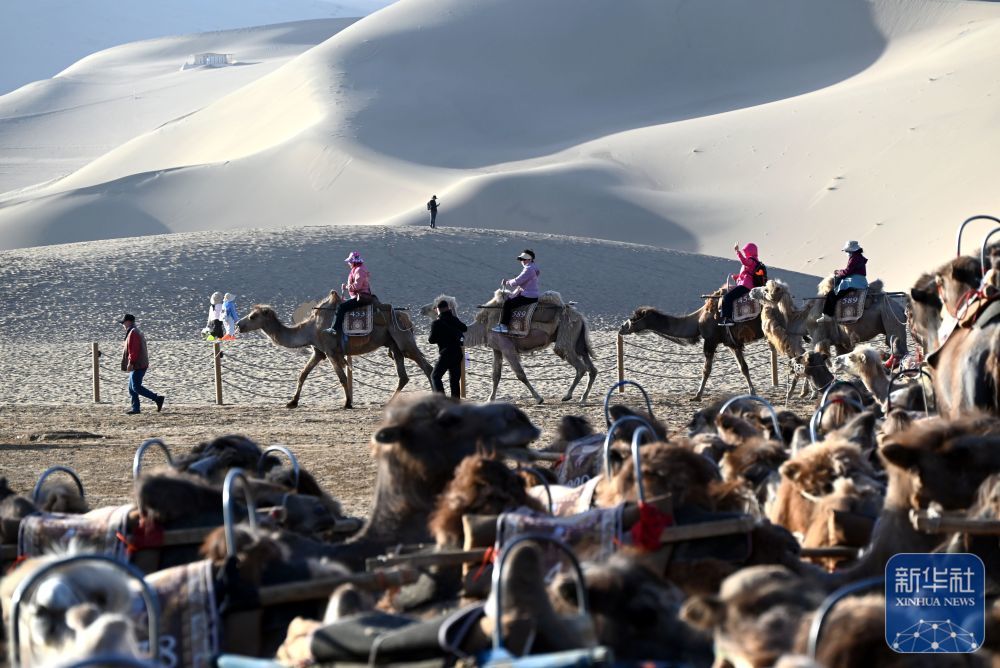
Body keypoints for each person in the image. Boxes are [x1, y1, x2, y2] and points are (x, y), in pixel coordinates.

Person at [119, 313, 164, 415]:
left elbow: (134, 350)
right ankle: (136, 408)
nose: (122, 325)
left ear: (128, 322)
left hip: (138, 364)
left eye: (123, 322)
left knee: (136, 387)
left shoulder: (133, 332)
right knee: (131, 387)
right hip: (138, 364)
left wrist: (131, 363)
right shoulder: (133, 331)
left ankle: (157, 398)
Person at [325, 251, 373, 343]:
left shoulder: (359, 270)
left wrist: (346, 287)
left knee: (341, 307)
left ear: (354, 262)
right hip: (357, 296)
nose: (348, 263)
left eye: (350, 261)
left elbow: (357, 286)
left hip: (361, 298)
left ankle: (334, 329)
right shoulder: (357, 269)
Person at [817, 240, 869, 324]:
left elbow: (847, 271)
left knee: (832, 294)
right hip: (861, 282)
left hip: (853, 282)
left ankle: (827, 315)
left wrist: (838, 272)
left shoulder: (854, 258)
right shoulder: (859, 257)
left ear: (851, 250)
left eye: (847, 251)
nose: (846, 253)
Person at [493, 250, 540, 334]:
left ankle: (504, 326)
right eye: (521, 259)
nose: (522, 261)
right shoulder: (534, 267)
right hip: (532, 294)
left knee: (508, 303)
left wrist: (507, 282)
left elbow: (517, 281)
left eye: (524, 259)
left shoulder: (528, 269)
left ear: (530, 259)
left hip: (528, 296)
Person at [428, 300, 468, 397]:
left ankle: (442, 400)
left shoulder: (436, 323)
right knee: (454, 381)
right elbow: (464, 328)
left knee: (435, 376)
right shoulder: (454, 319)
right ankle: (455, 404)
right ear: (448, 308)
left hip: (446, 354)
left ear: (438, 309)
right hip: (458, 354)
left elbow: (431, 340)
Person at [720, 242, 765, 326]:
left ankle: (728, 319)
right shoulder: (755, 261)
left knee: (727, 297)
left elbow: (744, 262)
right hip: (747, 284)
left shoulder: (751, 260)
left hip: (745, 286)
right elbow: (747, 274)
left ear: (750, 251)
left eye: (746, 251)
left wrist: (737, 251)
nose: (745, 253)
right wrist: (737, 277)